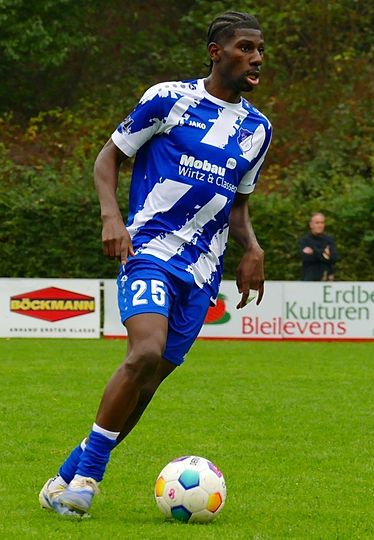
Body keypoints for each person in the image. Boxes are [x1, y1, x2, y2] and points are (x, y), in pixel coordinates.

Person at [39, 12, 271, 517]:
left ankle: (67, 475)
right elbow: (108, 158)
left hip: (202, 271)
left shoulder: (258, 129)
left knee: (147, 383)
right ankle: (89, 480)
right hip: (149, 250)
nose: (256, 58)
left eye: (259, 50)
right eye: (245, 48)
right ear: (216, 52)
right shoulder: (168, 98)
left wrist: (252, 248)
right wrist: (111, 217)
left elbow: (237, 205)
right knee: (145, 352)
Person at [298, 212, 339, 281]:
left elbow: (334, 257)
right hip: (310, 279)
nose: (320, 225)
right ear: (311, 225)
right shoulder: (305, 240)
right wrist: (324, 254)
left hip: (327, 279)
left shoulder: (329, 240)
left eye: (322, 223)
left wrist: (314, 252)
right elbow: (305, 257)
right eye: (317, 223)